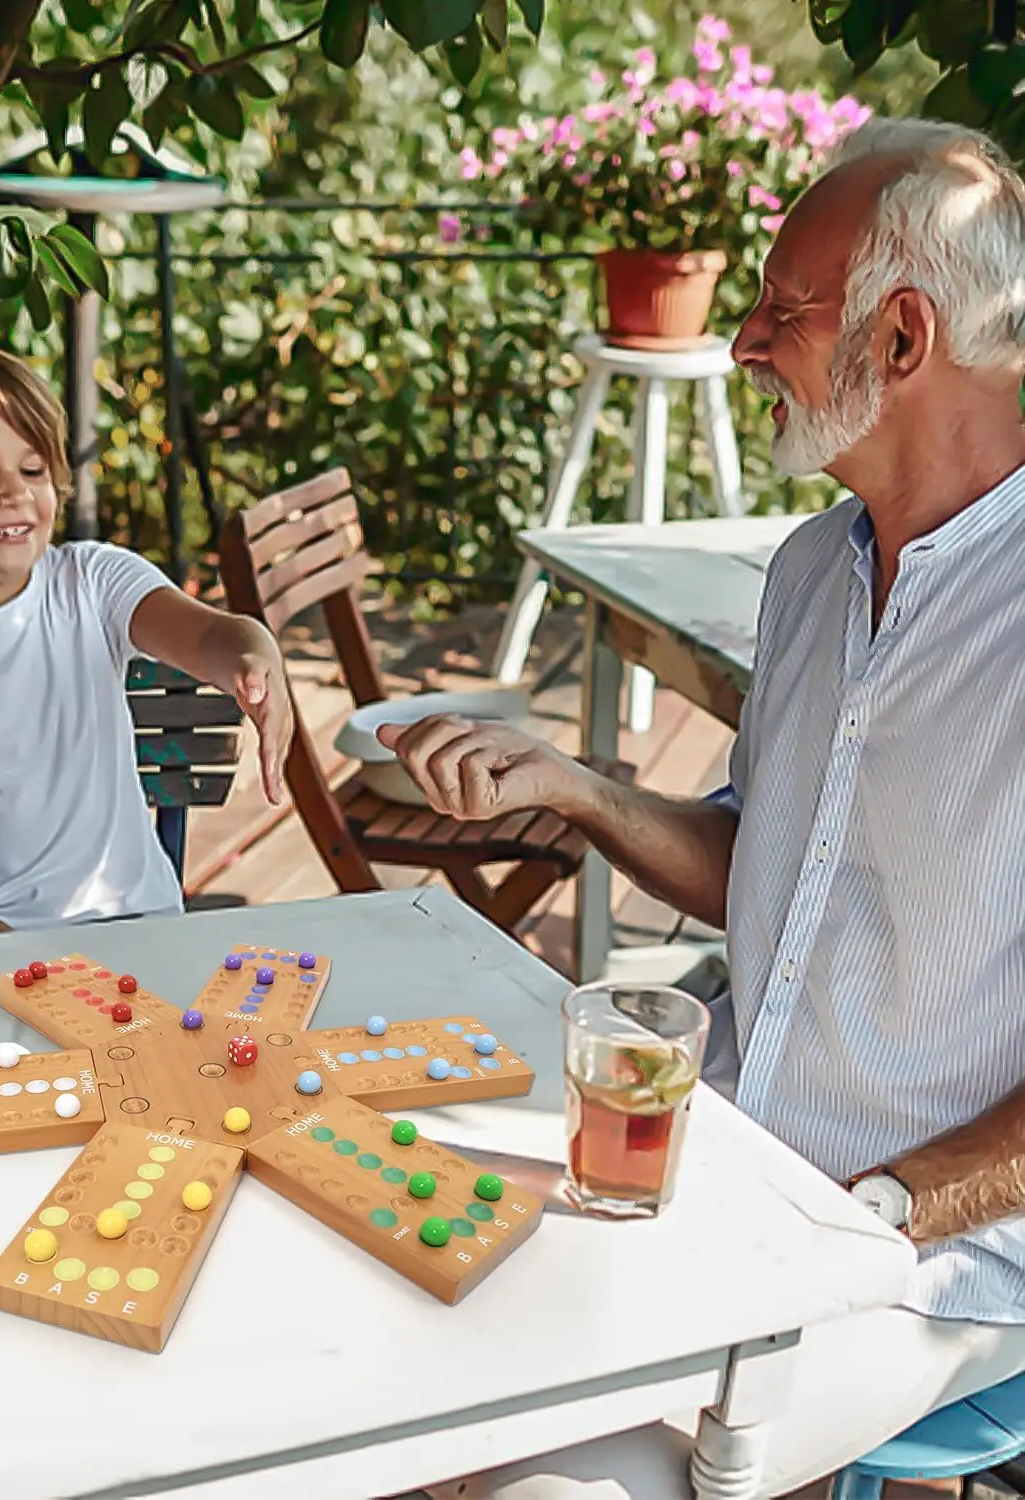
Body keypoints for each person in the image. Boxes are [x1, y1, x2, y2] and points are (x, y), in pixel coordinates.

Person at [383, 116, 1025, 1498]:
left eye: (781, 310)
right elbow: (775, 870)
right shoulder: (809, 571)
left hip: (940, 1263)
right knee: (400, 1371)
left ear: (903, 341)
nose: (739, 342)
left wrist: (871, 1217)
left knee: (543, 1484)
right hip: (722, 1162)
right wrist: (578, 791)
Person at [0, 341, 293, 941]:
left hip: (139, 936)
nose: (14, 491)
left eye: (32, 469)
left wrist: (254, 654)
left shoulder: (93, 582)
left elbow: (212, 634)